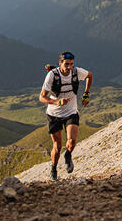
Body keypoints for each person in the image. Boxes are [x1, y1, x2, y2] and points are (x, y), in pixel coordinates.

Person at [39, 51, 93, 181]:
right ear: (60, 63)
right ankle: (54, 167)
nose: (69, 67)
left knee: (72, 141)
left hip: (71, 112)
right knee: (57, 146)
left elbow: (90, 76)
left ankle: (68, 155)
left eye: (71, 64)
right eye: (67, 64)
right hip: (54, 114)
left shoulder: (76, 72)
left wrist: (86, 94)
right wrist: (56, 102)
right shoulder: (52, 75)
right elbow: (42, 97)